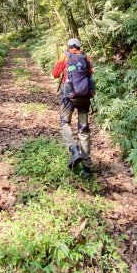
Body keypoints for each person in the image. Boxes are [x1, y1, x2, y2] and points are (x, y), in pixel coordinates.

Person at [52, 38, 94, 178]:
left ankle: (74, 149)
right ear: (79, 47)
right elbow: (90, 75)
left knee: (64, 123)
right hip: (84, 98)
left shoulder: (65, 56)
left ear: (69, 47)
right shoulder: (86, 57)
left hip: (68, 97)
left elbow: (55, 74)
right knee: (84, 130)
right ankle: (86, 168)